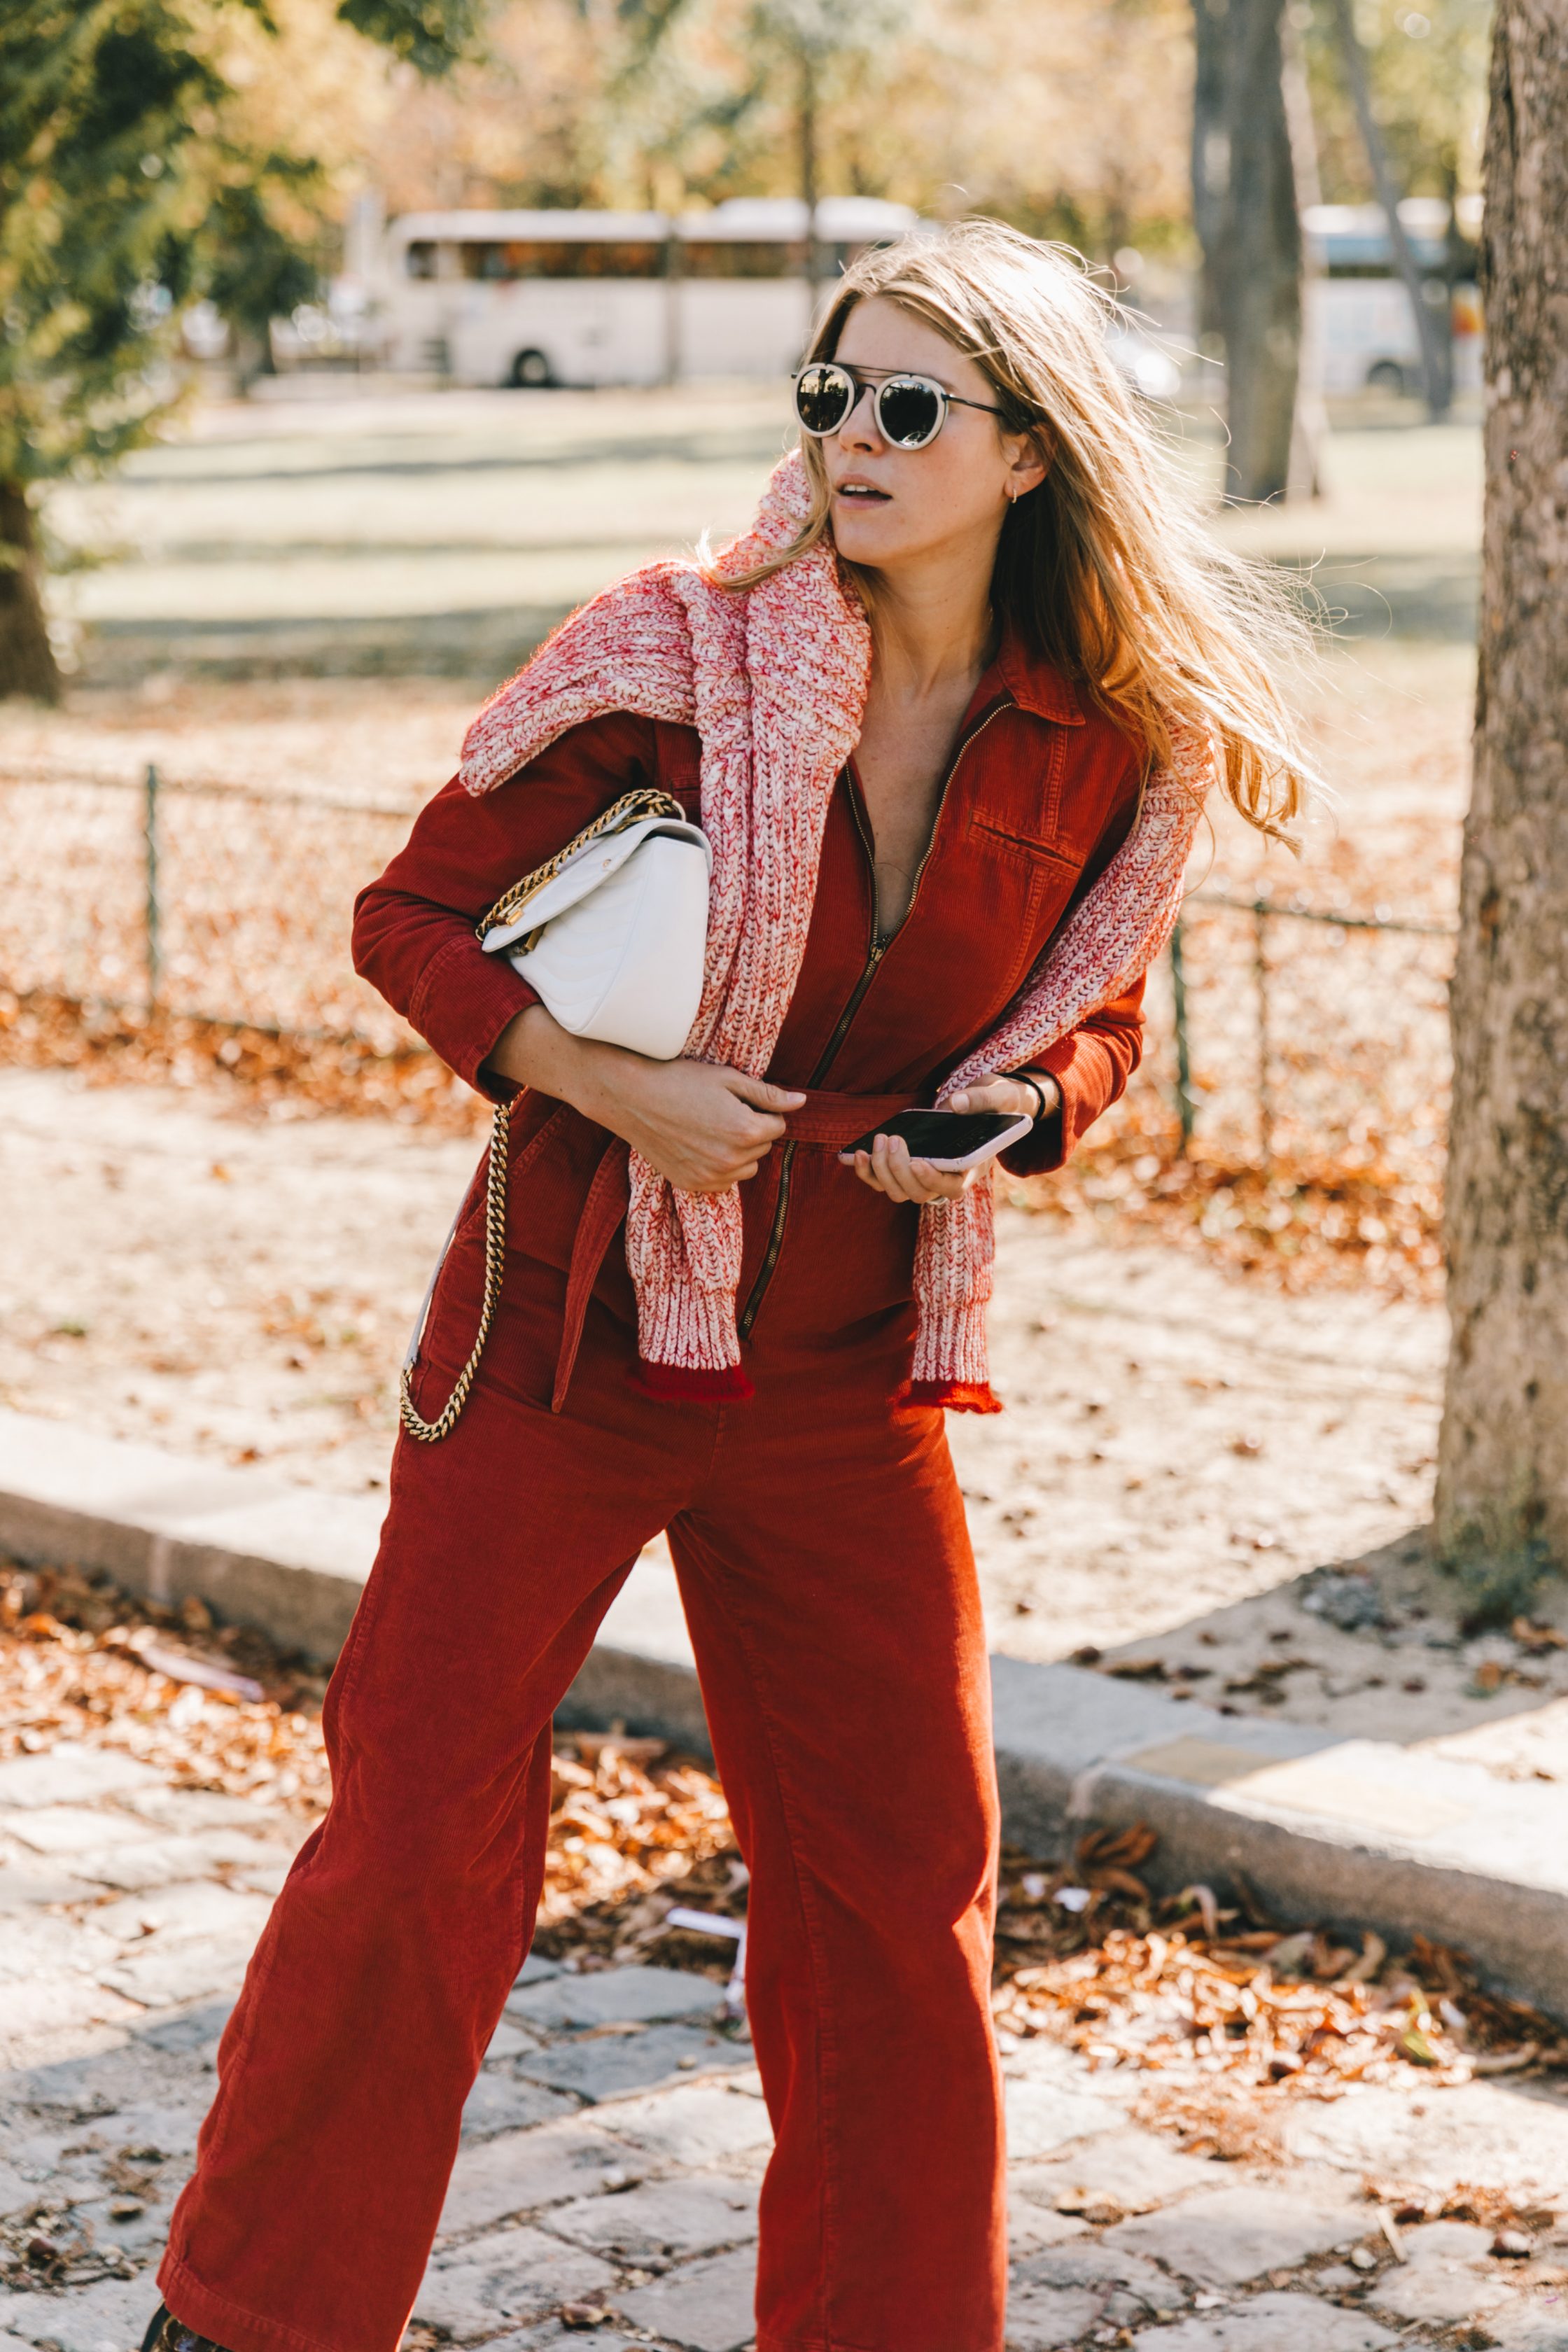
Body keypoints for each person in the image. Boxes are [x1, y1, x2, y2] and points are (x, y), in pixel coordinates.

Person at [145, 220, 1310, 2352]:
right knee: (419, 1844)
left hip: (853, 1373)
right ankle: (245, 2327)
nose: (848, 442)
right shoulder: (676, 647)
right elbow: (410, 914)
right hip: (565, 1333)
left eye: (904, 408)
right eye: (826, 397)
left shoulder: (1104, 745)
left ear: (1031, 453)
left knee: (901, 1900)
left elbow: (1100, 1020)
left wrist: (1019, 1113)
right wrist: (615, 1086)